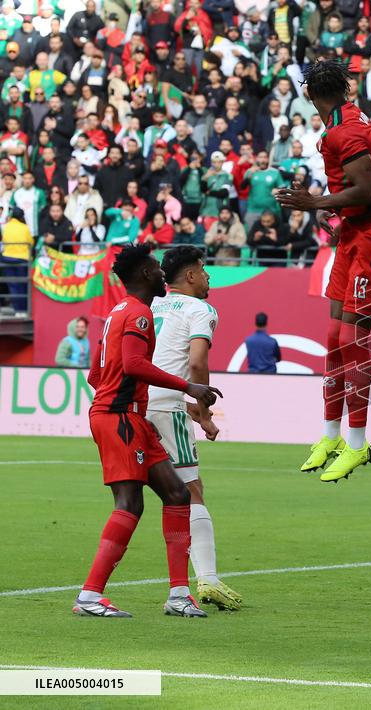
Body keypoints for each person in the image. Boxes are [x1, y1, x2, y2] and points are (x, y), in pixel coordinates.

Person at [274, 60, 371, 483]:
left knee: (354, 335)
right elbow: (355, 192)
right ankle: (331, 433)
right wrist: (334, 211)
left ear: (311, 95)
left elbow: (368, 190)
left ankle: (357, 443)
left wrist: (314, 203)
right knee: (334, 336)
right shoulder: (344, 120)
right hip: (356, 231)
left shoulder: (344, 130)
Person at [74, 243, 220, 618]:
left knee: (176, 494)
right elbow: (135, 363)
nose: (161, 274)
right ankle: (90, 596)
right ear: (143, 274)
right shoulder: (138, 314)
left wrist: (121, 399)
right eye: (156, 268)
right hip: (120, 418)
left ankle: (178, 595)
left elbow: (95, 373)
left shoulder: (116, 312)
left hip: (129, 417)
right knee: (130, 503)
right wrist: (188, 387)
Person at [146, 247, 242, 611]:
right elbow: (197, 364)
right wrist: (203, 409)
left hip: (138, 406)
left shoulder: (151, 307)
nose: (208, 277)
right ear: (189, 276)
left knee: (135, 500)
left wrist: (196, 414)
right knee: (191, 492)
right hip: (168, 409)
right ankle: (207, 580)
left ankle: (91, 592)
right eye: (203, 270)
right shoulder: (200, 309)